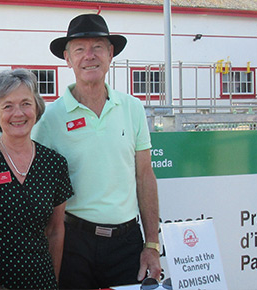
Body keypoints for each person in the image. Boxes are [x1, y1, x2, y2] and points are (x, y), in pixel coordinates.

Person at [31, 13, 161, 288]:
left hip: (127, 244)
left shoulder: (133, 108)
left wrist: (152, 243)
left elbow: (145, 176)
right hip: (73, 242)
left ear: (110, 53)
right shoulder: (50, 118)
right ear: (67, 58)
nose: (89, 56)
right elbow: (39, 189)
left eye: (98, 47)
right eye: (79, 49)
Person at [0, 69, 74, 289]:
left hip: (41, 280)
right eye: (8, 106)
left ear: (37, 108)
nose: (18, 113)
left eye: (26, 103)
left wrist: (53, 280)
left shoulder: (54, 164)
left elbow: (55, 230)